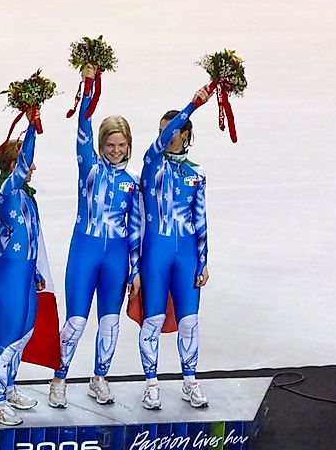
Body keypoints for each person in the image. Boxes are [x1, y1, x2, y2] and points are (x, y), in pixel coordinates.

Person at [48, 68, 142, 408]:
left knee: (111, 323)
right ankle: (59, 378)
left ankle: (98, 378)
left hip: (116, 258)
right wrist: (88, 84)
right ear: (100, 145)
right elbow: (82, 126)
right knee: (75, 321)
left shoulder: (133, 182)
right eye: (110, 144)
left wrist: (134, 271)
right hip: (85, 254)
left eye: (122, 145)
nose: (116, 150)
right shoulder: (89, 167)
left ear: (129, 145)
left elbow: (135, 230)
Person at [138, 84, 213, 410]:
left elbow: (201, 219)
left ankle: (190, 381)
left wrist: (203, 260)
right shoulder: (151, 164)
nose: (165, 137)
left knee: (189, 320)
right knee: (152, 319)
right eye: (161, 132)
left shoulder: (197, 173)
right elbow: (160, 142)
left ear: (186, 136)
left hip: (185, 255)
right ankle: (151, 383)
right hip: (156, 253)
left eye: (172, 133)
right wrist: (195, 103)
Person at [0, 125, 48, 426]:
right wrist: (33, 124)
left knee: (23, 337)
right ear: (14, 166)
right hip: (7, 280)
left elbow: (28, 238)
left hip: (23, 279)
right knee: (6, 342)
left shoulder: (25, 196)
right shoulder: (8, 190)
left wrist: (34, 272)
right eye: (26, 162)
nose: (33, 166)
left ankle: (8, 389)